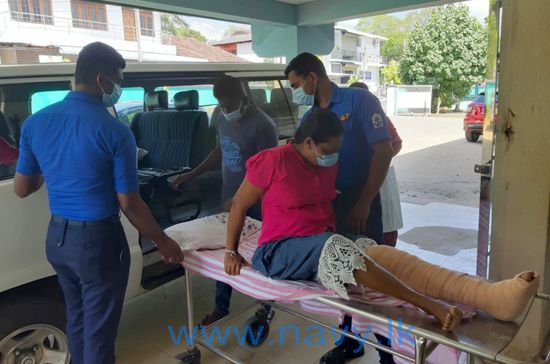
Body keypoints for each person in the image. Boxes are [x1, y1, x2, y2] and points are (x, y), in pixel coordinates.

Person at [223, 108, 539, 338]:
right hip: (279, 251)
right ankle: (431, 306)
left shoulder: (323, 165)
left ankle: (488, 296)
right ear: (308, 142)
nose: (333, 157)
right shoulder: (273, 161)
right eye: (328, 151)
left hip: (319, 242)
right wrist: (230, 251)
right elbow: (239, 204)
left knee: (376, 253)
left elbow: (322, 204)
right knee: (337, 247)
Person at [14, 42, 183, 364]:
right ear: (102, 79)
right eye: (118, 81)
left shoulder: (35, 123)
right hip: (99, 244)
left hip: (58, 240)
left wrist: (54, 166)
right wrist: (163, 240)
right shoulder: (115, 131)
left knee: (76, 319)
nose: (118, 89)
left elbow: (22, 188)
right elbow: (129, 203)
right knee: (99, 333)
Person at [286, 53, 394, 363]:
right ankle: (350, 342)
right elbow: (300, 161)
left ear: (312, 77)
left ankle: (386, 352)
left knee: (371, 276)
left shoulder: (358, 101)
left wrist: (364, 201)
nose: (296, 90)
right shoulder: (310, 116)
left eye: (296, 84)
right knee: (340, 277)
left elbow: (383, 151)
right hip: (328, 210)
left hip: (361, 205)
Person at [172, 75, 278, 327]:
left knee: (259, 254)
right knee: (227, 250)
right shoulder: (220, 115)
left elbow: (267, 172)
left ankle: (265, 306)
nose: (226, 110)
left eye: (229, 105)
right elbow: (219, 151)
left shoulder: (264, 126)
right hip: (229, 198)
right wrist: (190, 174)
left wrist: (241, 198)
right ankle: (221, 307)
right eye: (221, 105)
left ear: (242, 97)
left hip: (256, 203)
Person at [349, 81, 403, 247]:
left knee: (385, 221)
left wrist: (379, 161)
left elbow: (396, 144)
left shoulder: (379, 118)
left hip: (380, 176)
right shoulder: (346, 118)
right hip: (358, 179)